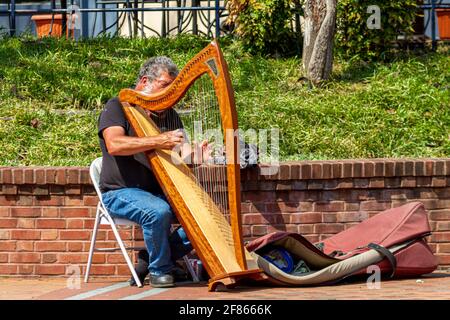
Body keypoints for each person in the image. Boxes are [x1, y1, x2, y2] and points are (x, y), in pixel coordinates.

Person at [97, 56, 195, 288]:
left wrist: (199, 154)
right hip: (119, 192)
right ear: (144, 82)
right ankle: (160, 270)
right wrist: (159, 140)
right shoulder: (117, 106)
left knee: (204, 215)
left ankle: (149, 259)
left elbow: (183, 154)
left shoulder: (168, 115)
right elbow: (115, 144)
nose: (169, 94)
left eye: (173, 89)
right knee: (158, 212)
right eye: (165, 86)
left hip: (156, 192)